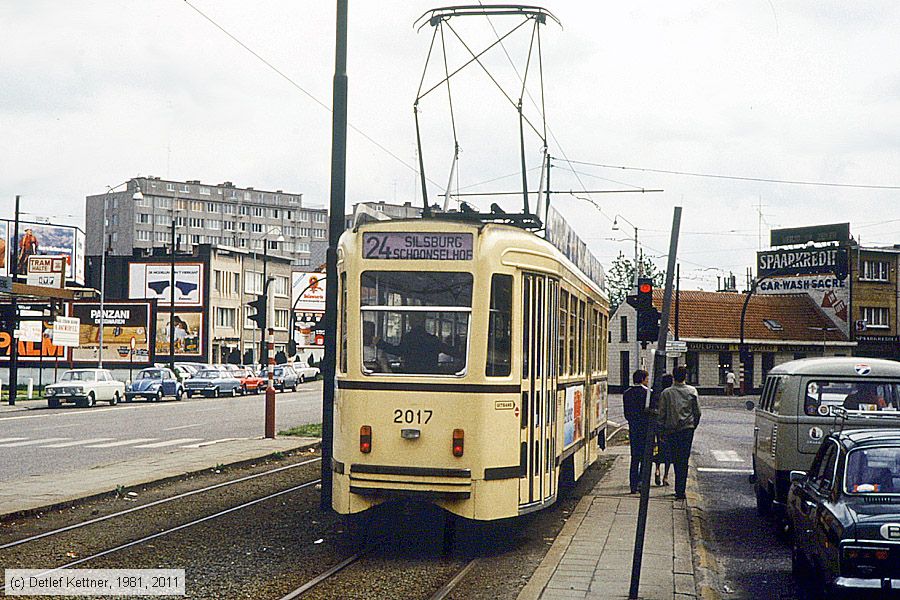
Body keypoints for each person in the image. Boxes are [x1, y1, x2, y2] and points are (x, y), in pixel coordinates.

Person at [657, 365, 701, 500]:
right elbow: (697, 412)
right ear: (685, 376)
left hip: (672, 431)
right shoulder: (692, 391)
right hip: (687, 430)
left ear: (673, 376)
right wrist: (693, 425)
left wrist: (661, 431)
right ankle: (681, 490)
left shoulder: (666, 393)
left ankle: (677, 489)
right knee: (684, 459)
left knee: (675, 459)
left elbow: (661, 414)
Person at [375, 313, 456, 374]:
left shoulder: (408, 338)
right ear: (423, 322)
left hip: (411, 374)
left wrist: (380, 343)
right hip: (430, 375)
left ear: (411, 322)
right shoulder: (433, 339)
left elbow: (398, 351)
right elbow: (448, 350)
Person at [623, 369, 650, 494]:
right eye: (647, 378)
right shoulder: (648, 393)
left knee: (634, 457)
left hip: (633, 428)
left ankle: (633, 485)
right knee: (644, 458)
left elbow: (627, 413)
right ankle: (641, 482)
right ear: (643, 379)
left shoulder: (627, 393)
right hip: (645, 429)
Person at [650, 373, 675, 487]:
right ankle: (665, 476)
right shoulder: (671, 394)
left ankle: (657, 469)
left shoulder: (657, 394)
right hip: (669, 427)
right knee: (669, 453)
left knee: (658, 449)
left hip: (658, 426)